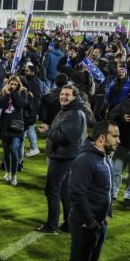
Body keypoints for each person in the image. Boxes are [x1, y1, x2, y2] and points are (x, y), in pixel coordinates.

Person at [60, 121, 119, 261]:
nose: (118, 140)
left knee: (90, 259)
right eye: (115, 136)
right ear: (102, 138)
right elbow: (76, 192)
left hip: (99, 221)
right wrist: (89, 220)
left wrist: (108, 213)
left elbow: (107, 188)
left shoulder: (105, 158)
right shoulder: (86, 160)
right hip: (86, 222)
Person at [35, 85, 89, 233]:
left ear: (74, 97)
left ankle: (51, 225)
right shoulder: (68, 110)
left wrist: (48, 131)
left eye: (67, 95)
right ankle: (68, 224)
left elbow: (66, 138)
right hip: (64, 155)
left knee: (52, 190)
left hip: (63, 157)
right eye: (62, 94)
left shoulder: (74, 113)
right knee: (65, 191)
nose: (63, 97)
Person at [0, 75, 29, 187]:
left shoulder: (23, 92)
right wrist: (8, 94)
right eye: (11, 84)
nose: (13, 86)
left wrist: (13, 93)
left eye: (15, 84)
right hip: (4, 125)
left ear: (19, 85)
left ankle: (14, 175)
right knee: (6, 151)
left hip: (16, 126)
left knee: (14, 149)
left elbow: (21, 105)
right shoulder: (4, 92)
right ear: (8, 83)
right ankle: (8, 172)